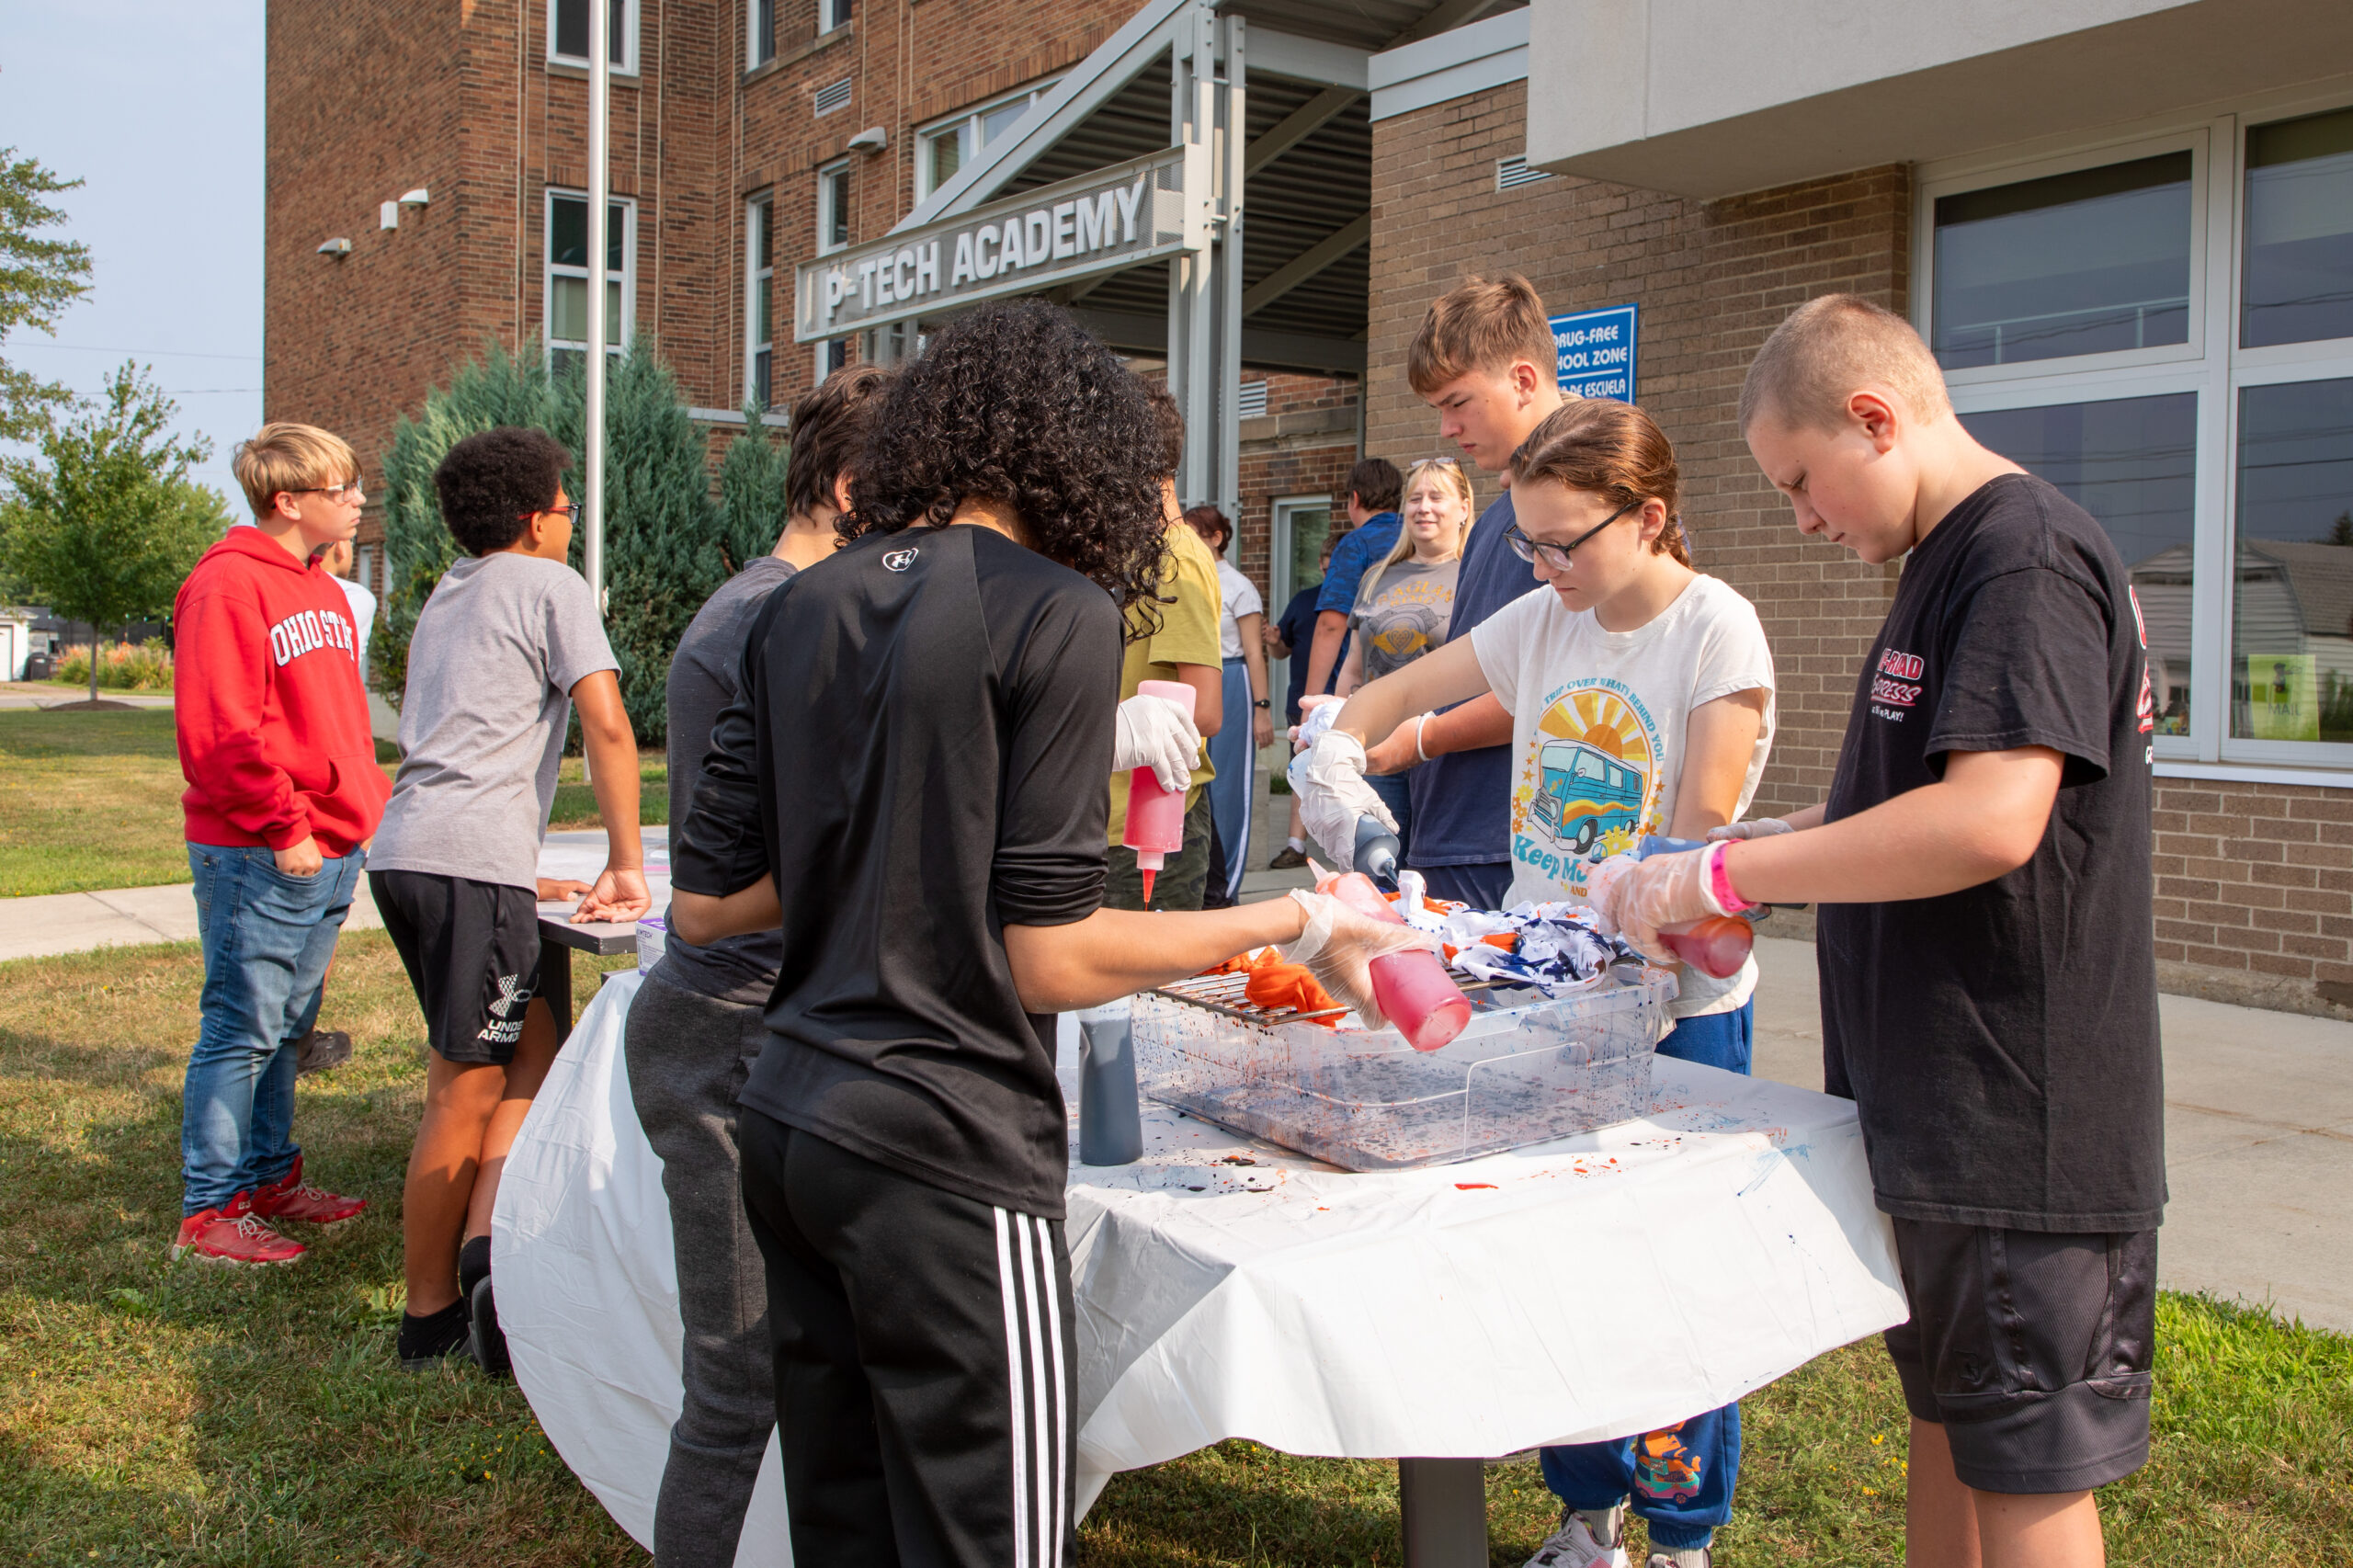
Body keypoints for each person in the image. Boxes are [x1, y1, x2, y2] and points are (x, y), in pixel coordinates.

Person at [665, 298, 1427, 1568]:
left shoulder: (796, 604)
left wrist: (901, 844)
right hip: (942, 1146)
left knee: (847, 1531)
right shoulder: (1057, 608)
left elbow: (707, 901)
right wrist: (1304, 916)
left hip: (790, 1123)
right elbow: (1051, 955)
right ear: (1083, 461)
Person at [1596, 294, 2164, 1568]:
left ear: (1874, 417)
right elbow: (1893, 804)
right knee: (1952, 1424)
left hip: (2019, 1119)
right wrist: (1732, 857)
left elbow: (1989, 819)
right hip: (1942, 1110)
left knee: (2026, 1459)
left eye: (1800, 481)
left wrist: (1724, 872)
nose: (1803, 518)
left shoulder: (2022, 559)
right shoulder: (1949, 563)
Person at [1295, 399, 1775, 1568]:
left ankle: (1681, 1534)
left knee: (1672, 1273)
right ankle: (1585, 1514)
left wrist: (1643, 898)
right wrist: (1336, 755)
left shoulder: (1714, 629)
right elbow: (1388, 698)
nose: (1545, 567)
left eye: (1565, 543)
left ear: (1647, 517)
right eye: (1528, 543)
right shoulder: (1542, 615)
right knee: (1559, 1263)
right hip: (1545, 1000)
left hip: (1671, 1012)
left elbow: (1699, 838)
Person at [620, 364, 888, 1568]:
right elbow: (743, 882)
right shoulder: (776, 620)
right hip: (729, 1030)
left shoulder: (775, 607)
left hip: (768, 1022)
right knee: (736, 1386)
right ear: (852, 488)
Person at [369, 426, 653, 1373]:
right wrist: (624, 861)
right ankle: (429, 1318)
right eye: (568, 507)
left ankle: (490, 1256)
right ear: (537, 520)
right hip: (463, 867)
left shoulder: (453, 590)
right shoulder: (550, 585)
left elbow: (456, 734)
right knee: (465, 1088)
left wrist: (514, 875)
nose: (572, 522)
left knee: (532, 1050)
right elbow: (607, 725)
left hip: (413, 853)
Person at [169, 423, 386, 1267]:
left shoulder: (323, 588)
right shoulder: (227, 585)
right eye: (343, 489)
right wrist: (284, 825)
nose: (359, 500)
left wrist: (357, 815)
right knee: (241, 1029)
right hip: (263, 850)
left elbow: (336, 723)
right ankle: (210, 1211)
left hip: (331, 845)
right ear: (289, 501)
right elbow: (220, 735)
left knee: (291, 1025)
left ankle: (266, 1179)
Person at [1367, 275, 1558, 907]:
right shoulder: (1498, 516)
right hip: (1451, 831)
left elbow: (1563, 692)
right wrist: (1364, 714)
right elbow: (1473, 666)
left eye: (1457, 403)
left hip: (1514, 842)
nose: (1448, 429)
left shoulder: (1601, 511)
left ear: (1523, 381)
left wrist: (1422, 736)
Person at [1103, 385, 1225, 913]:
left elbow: (1207, 709)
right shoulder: (1130, 551)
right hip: (1106, 819)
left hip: (1149, 826)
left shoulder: (1177, 556)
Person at [1330, 456, 1477, 857]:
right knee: (1374, 866)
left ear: (1464, 508)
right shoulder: (1376, 576)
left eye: (1436, 497)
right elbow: (1354, 667)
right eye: (1415, 498)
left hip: (1445, 752)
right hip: (1376, 751)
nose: (1424, 507)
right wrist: (1338, 737)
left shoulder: (1475, 575)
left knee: (1434, 870)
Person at [289, 536, 382, 1081]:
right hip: (325, 790)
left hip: (318, 788)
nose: (357, 503)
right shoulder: (352, 598)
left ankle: (293, 1046)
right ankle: (297, 1043)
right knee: (310, 942)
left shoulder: (319, 595)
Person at [1183, 504, 1272, 907]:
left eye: (1194, 535)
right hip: (1194, 677)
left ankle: (1227, 887)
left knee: (1229, 786)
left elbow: (1254, 653)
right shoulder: (1183, 575)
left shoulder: (1239, 586)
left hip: (1232, 679)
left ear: (1216, 538)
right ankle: (1201, 881)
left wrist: (1261, 707)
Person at [1263, 533, 1346, 869]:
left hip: (1346, 701)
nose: (1329, 577)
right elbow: (1282, 650)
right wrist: (1273, 642)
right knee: (1301, 772)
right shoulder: (1303, 601)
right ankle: (1295, 846)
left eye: (1335, 570)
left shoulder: (1361, 601)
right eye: (1324, 569)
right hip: (1304, 704)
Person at [1298, 458, 1404, 704]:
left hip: (1362, 688)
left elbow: (1331, 626)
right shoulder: (1419, 538)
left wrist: (1310, 702)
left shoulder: (1355, 544)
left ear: (1355, 499)